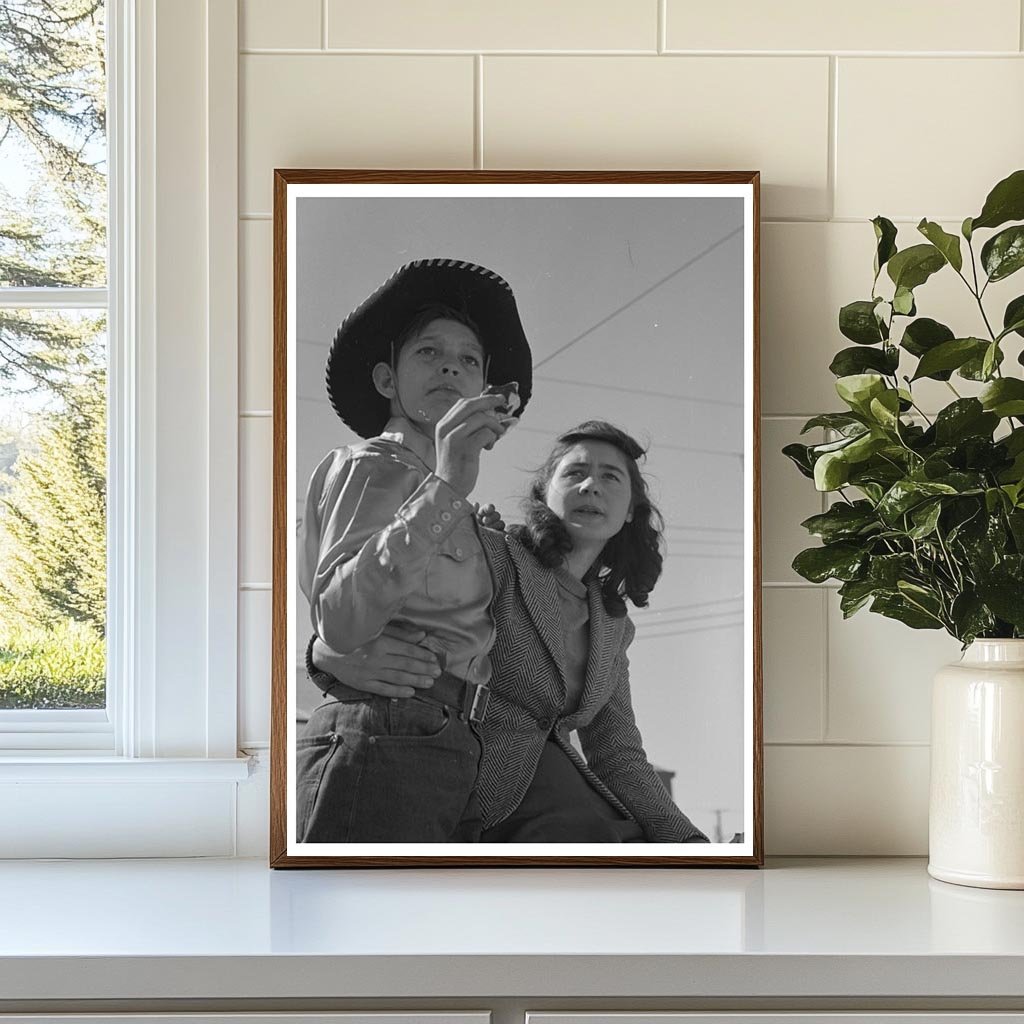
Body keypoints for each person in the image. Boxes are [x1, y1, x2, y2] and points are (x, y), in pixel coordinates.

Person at [311, 421, 708, 843]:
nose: (591, 486)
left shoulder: (614, 627)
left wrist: (690, 841)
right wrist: (322, 651)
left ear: (630, 509)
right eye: (574, 473)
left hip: (545, 803)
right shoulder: (495, 555)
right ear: (544, 494)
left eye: (610, 477)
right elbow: (387, 600)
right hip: (444, 774)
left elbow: (617, 753)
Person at [295, 257, 532, 844]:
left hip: (455, 747)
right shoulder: (369, 463)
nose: (451, 364)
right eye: (428, 352)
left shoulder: (465, 509)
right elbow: (341, 618)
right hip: (384, 738)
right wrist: (447, 484)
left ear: (485, 392)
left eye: (469, 359)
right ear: (385, 380)